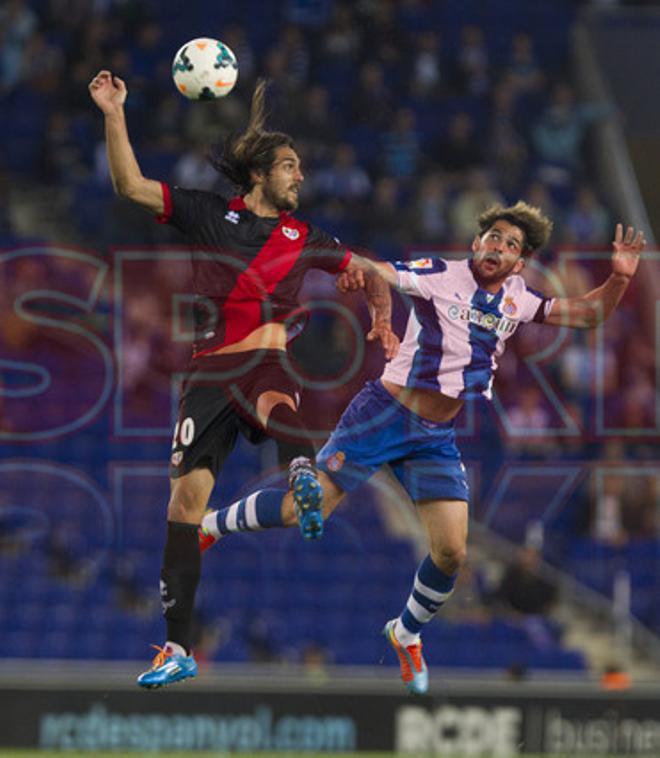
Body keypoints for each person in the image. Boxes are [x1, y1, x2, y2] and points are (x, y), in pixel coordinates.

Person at [200, 202, 645, 694]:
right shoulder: (439, 274)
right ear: (476, 243)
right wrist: (363, 286)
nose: (499, 246)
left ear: (520, 263)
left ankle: (405, 633)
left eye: (512, 245)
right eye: (493, 236)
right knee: (300, 511)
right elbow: (379, 271)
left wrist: (620, 278)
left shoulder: (519, 298)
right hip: (380, 417)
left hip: (433, 437)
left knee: (453, 552)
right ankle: (210, 525)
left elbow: (587, 315)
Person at [88, 70, 397, 689]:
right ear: (260, 174)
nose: (300, 176)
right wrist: (115, 112)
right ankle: (178, 649)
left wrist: (383, 313)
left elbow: (371, 268)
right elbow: (130, 186)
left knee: (276, 387)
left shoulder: (305, 237)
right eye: (289, 166)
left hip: (266, 359)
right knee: (182, 504)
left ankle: (301, 469)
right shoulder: (206, 214)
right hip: (207, 375)